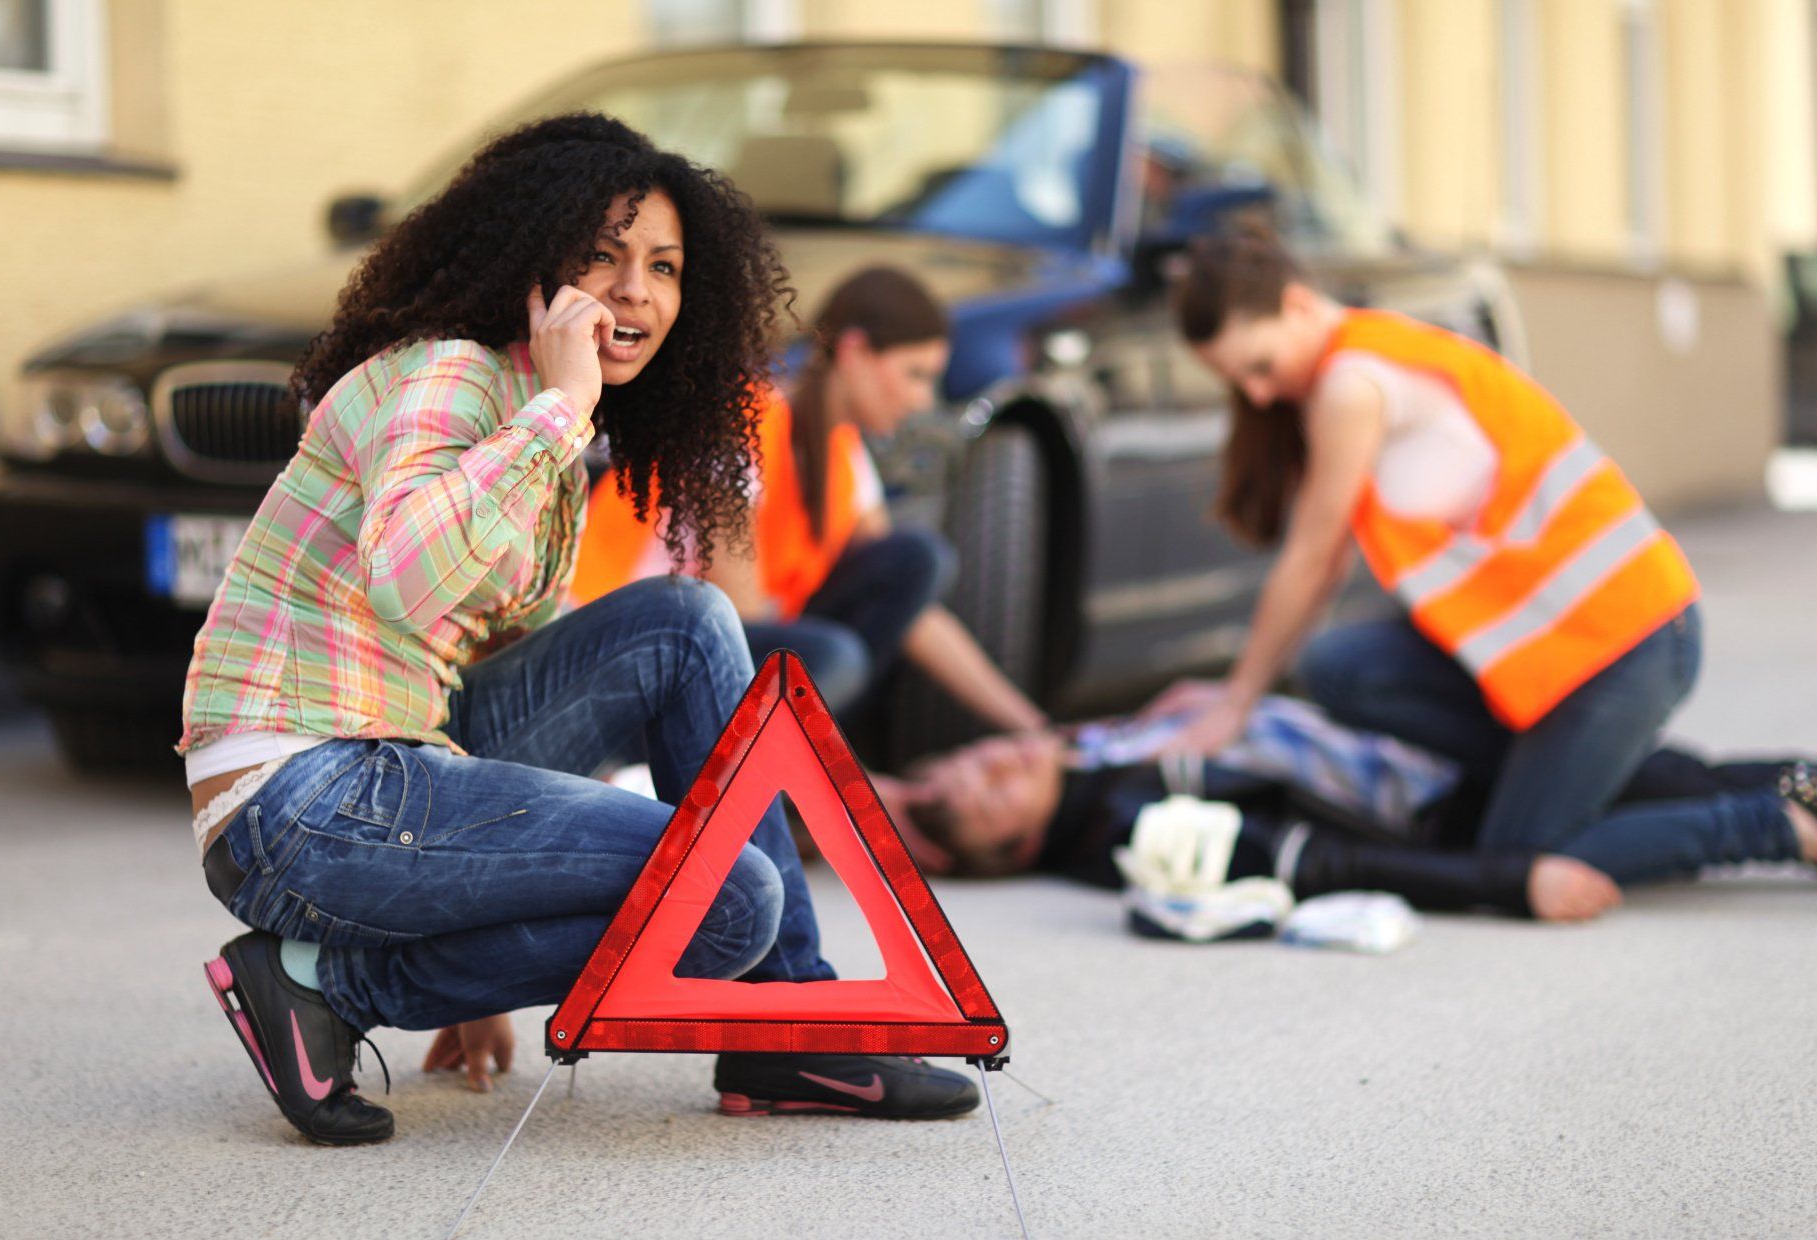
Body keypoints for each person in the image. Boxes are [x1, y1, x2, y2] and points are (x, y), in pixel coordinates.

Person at [183, 115, 979, 1146]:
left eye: (663, 265)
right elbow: (408, 579)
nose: (636, 290)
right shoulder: (450, 379)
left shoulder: (542, 415)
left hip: (401, 754)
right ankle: (325, 983)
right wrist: (561, 407)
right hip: (300, 794)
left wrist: (491, 927)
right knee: (728, 894)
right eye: (601, 257)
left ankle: (791, 1024)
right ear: (530, 263)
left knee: (689, 623)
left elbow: (509, 671)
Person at [1138, 226, 1817, 880]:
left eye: (1260, 366)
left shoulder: (1353, 385)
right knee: (1339, 667)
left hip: (1625, 644)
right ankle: (1802, 782)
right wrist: (1239, 695)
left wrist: (1237, 702)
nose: (1258, 393)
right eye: (1238, 382)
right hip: (1553, 653)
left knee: (1520, 855)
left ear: (1297, 303)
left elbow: (1315, 559)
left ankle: (1779, 828)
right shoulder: (1376, 349)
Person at [570, 265, 1046, 731]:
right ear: (855, 351)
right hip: (621, 650)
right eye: (916, 374)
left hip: (704, 647)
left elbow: (913, 613)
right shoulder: (742, 424)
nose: (923, 400)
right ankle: (796, 776)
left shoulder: (844, 452)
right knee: (832, 659)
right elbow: (739, 615)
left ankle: (807, 768)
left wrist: (1029, 724)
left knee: (917, 561)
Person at [876, 724, 1816, 921]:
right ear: (1017, 850)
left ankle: (1797, 794)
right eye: (984, 793)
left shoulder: (1103, 754)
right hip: (1448, 812)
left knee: (1677, 769)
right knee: (1676, 810)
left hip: (1438, 752)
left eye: (963, 754)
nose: (990, 760)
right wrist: (1509, 886)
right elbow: (1320, 863)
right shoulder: (1139, 828)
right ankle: (1786, 829)